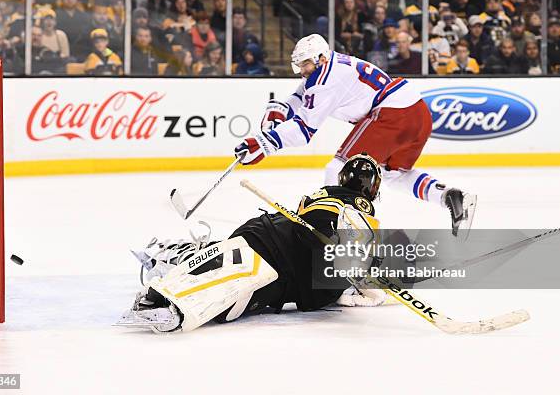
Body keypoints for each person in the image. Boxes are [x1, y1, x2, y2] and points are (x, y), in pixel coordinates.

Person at [233, 34, 477, 237]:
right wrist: (283, 109)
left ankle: (331, 236)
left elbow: (303, 130)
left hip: (393, 112)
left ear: (320, 59)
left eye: (305, 64)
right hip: (415, 112)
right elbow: (301, 94)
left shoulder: (326, 81)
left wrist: (265, 143)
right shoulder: (328, 67)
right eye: (299, 65)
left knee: (338, 169)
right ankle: (449, 196)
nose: (302, 70)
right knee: (394, 175)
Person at [117, 153, 388, 333]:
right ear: (372, 187)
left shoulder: (323, 192)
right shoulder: (359, 206)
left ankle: (176, 260)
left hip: (261, 230)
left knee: (224, 256)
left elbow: (316, 233)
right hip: (282, 264)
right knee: (236, 299)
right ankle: (174, 304)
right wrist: (356, 276)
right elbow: (332, 238)